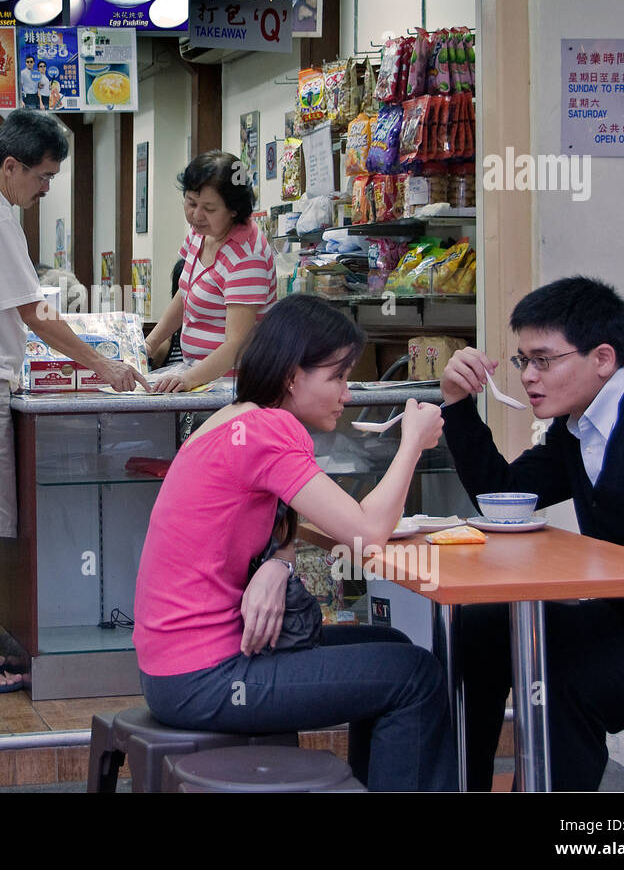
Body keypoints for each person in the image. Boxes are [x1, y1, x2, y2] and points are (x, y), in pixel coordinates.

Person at [134, 295, 457, 791]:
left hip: (175, 668)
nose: (346, 394)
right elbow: (367, 533)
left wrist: (278, 566)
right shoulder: (269, 430)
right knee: (414, 675)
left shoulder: (233, 418)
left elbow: (286, 523)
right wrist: (411, 442)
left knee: (390, 646)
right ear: (291, 376)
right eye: (337, 377)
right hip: (206, 676)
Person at [438, 276, 624, 791]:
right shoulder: (578, 427)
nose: (528, 377)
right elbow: (505, 493)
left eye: (543, 360)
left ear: (602, 358)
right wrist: (457, 405)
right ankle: (462, 786)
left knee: (563, 684)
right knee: (482, 630)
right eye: (522, 361)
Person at [0, 109, 147, 691]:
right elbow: (35, 312)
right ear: (12, 165)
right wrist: (104, 363)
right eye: (42, 177)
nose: (45, 189)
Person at [145, 150, 277, 392]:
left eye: (209, 208)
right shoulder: (201, 232)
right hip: (200, 375)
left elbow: (238, 342)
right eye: (191, 203)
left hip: (235, 384)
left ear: (234, 210)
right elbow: (186, 293)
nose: (196, 215)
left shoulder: (246, 256)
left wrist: (188, 379)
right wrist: (149, 344)